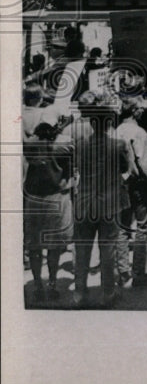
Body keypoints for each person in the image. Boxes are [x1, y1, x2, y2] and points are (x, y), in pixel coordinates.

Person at [72, 93, 133, 309]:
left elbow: (77, 168)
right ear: (108, 123)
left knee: (82, 250)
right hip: (109, 203)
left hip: (84, 203)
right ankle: (107, 293)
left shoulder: (80, 145)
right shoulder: (119, 145)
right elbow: (125, 169)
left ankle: (79, 293)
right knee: (108, 250)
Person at [23, 114, 74, 303]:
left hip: (34, 200)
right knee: (54, 246)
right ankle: (52, 284)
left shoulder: (30, 145)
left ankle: (37, 285)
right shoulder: (65, 146)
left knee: (35, 246)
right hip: (56, 198)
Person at [115, 99, 147, 287]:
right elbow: (144, 163)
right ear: (134, 111)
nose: (142, 112)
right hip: (139, 184)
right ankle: (139, 273)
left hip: (119, 183)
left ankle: (123, 271)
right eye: (140, 109)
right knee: (141, 227)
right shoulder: (139, 132)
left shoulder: (116, 130)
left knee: (123, 227)